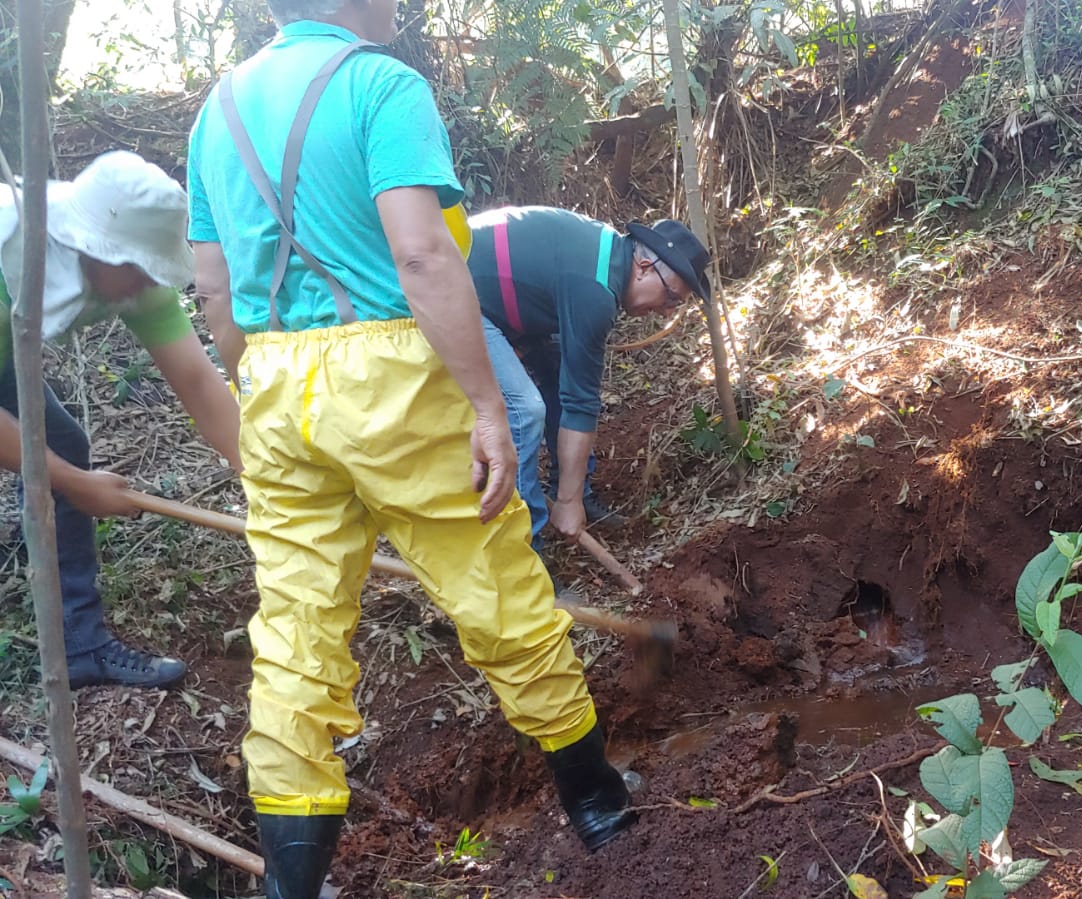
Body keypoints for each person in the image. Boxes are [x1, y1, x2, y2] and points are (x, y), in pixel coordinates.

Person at [185, 1, 635, 894]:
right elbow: (424, 258)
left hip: (271, 383)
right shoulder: (378, 84)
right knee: (494, 583)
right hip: (388, 367)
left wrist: (266, 384)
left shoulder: (217, 109)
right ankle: (597, 805)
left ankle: (291, 884)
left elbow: (212, 289)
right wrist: (486, 406)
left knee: (295, 632)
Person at [0, 150, 242, 689]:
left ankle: (79, 648)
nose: (145, 280)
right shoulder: (7, 257)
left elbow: (200, 385)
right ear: (91, 246)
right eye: (136, 265)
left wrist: (263, 478)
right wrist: (74, 483)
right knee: (60, 460)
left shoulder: (132, 279)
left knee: (61, 441)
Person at [468, 206, 709, 544]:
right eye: (671, 298)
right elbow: (580, 404)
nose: (667, 311)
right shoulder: (594, 291)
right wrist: (569, 503)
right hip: (453, 297)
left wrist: (572, 493)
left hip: (491, 294)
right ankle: (523, 551)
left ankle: (568, 488)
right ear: (644, 268)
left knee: (556, 360)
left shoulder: (607, 257)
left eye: (676, 305)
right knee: (524, 410)